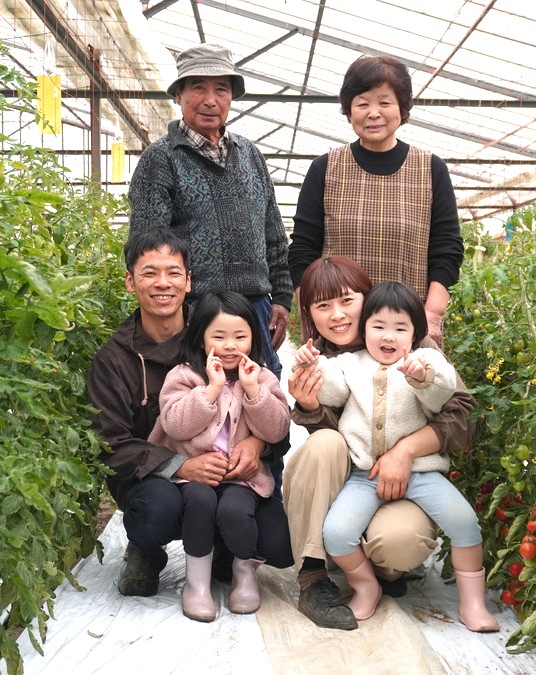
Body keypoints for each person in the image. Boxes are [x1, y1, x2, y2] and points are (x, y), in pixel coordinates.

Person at [86, 227, 293, 600]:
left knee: (276, 542)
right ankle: (146, 549)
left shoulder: (222, 331)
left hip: (231, 477)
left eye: (173, 272)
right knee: (156, 510)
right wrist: (178, 465)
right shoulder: (114, 360)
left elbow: (275, 411)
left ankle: (223, 546)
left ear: (189, 280)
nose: (163, 283)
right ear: (130, 282)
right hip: (158, 481)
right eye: (149, 273)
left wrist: (258, 444)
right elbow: (110, 444)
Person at [283, 255, 477, 631]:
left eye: (347, 300)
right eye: (323, 306)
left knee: (400, 543)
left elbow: (464, 415)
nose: (337, 315)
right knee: (325, 443)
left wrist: (404, 451)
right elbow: (334, 432)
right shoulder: (322, 359)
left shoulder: (412, 346)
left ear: (366, 298)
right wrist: (308, 403)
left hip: (408, 479)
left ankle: (382, 570)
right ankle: (312, 575)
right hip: (354, 481)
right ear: (308, 312)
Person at [128, 43, 292, 380]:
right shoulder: (161, 160)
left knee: (263, 400)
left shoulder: (250, 154)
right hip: (196, 311)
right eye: (198, 87)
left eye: (221, 89)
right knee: (202, 403)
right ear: (179, 96)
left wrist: (282, 300)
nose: (210, 99)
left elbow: (273, 233)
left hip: (255, 307)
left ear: (232, 97)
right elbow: (147, 247)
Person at [288, 54, 463, 345]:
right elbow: (303, 251)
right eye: (362, 103)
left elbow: (447, 249)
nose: (373, 112)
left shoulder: (430, 169)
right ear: (349, 110)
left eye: (384, 102)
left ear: (402, 108)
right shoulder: (325, 168)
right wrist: (315, 315)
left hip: (406, 329)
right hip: (339, 331)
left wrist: (431, 315)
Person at [148, 292, 290, 622]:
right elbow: (175, 425)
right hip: (195, 476)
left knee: (236, 510)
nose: (230, 345)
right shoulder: (184, 376)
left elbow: (276, 430)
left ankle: (244, 572)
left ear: (254, 337)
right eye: (219, 336)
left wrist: (253, 391)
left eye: (240, 336)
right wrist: (210, 390)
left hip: (241, 478)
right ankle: (197, 584)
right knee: (198, 502)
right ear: (200, 338)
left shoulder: (262, 376)